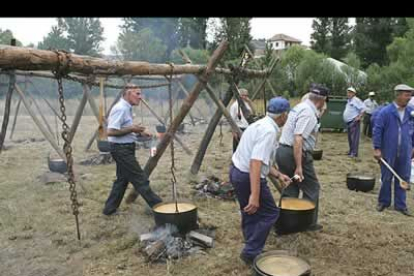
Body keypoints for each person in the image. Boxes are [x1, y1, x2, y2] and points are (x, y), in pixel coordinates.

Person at [229, 96, 292, 265]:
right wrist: (255, 195)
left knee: (250, 212)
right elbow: (255, 162)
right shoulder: (269, 131)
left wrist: (278, 174)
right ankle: (251, 252)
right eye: (287, 115)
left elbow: (259, 160)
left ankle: (251, 246)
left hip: (237, 171)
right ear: (283, 116)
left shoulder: (258, 124)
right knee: (270, 213)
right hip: (246, 175)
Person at [102, 84, 162, 216]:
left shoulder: (127, 108)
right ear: (127, 94)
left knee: (122, 180)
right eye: (137, 94)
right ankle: (160, 208)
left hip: (126, 148)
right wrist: (132, 129)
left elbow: (123, 128)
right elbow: (111, 132)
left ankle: (109, 210)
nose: (141, 97)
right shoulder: (120, 108)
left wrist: (138, 133)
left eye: (141, 94)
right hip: (121, 149)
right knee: (140, 179)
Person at [277, 84, 329, 232]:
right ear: (322, 100)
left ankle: (285, 224)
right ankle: (307, 223)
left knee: (291, 188)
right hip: (294, 155)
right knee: (312, 188)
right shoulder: (308, 113)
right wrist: (299, 166)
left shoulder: (300, 107)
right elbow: (298, 139)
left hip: (282, 151)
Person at [373, 84, 414, 216]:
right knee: (386, 177)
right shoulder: (386, 112)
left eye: (410, 95)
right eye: (406, 95)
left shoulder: (411, 112)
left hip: (405, 151)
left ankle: (400, 205)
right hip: (388, 150)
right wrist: (377, 148)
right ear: (398, 95)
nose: (409, 98)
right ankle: (383, 202)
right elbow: (377, 130)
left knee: (404, 177)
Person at [229, 88, 255, 152]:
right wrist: (234, 131)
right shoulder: (234, 106)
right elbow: (231, 120)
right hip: (239, 128)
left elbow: (254, 112)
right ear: (239, 96)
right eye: (243, 95)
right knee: (237, 147)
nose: (245, 97)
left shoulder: (247, 104)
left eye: (246, 95)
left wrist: (250, 102)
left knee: (247, 147)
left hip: (248, 128)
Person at [343, 87, 366, 157]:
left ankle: (354, 153)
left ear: (354, 93)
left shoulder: (356, 100)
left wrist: (359, 117)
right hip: (349, 122)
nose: (348, 94)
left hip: (354, 121)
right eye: (348, 92)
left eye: (350, 92)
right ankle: (351, 151)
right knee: (350, 138)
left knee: (354, 138)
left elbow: (363, 109)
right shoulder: (349, 101)